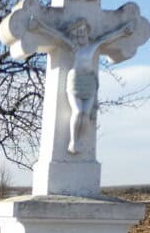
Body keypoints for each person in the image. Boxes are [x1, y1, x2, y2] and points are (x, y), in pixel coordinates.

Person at [28, 14, 135, 154]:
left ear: (87, 33)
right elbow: (57, 35)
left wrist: (123, 32)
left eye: (84, 31)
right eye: (79, 32)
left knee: (85, 114)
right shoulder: (74, 47)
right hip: (76, 82)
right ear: (75, 35)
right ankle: (73, 141)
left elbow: (107, 38)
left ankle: (80, 141)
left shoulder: (93, 46)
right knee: (78, 112)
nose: (82, 35)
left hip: (89, 83)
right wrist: (40, 27)